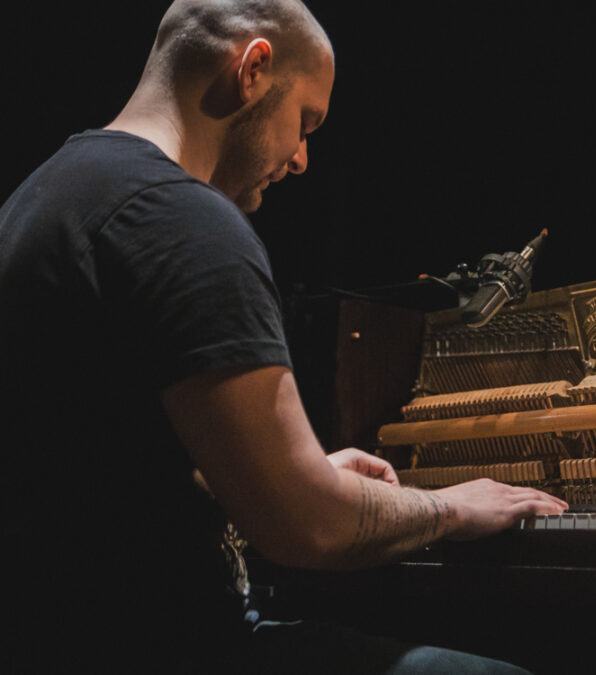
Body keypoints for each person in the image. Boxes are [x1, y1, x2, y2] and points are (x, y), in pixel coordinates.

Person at [0, 1, 567, 672]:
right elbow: (309, 526)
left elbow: (98, 473)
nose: (300, 159)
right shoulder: (182, 221)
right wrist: (450, 507)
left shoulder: (42, 197)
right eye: (306, 121)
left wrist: (283, 476)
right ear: (254, 69)